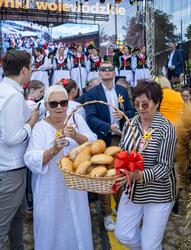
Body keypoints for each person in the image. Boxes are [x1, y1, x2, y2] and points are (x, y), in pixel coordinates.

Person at [24, 85, 96, 250]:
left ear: (68, 103)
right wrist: (53, 149)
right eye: (54, 103)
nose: (59, 107)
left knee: (77, 225)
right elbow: (31, 158)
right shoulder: (40, 128)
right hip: (50, 189)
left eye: (63, 103)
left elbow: (93, 143)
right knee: (52, 229)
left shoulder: (76, 120)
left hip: (76, 189)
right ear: (47, 105)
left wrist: (76, 135)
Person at [114, 80, 176, 249]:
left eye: (145, 104)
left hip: (158, 193)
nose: (141, 109)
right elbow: (122, 150)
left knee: (151, 246)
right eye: (137, 104)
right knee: (123, 234)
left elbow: (165, 167)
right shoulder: (131, 123)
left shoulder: (166, 128)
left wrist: (140, 175)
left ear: (157, 103)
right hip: (133, 190)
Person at [85, 61, 135, 231]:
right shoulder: (92, 93)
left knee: (120, 176)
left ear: (114, 73)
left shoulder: (121, 91)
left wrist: (123, 115)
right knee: (104, 179)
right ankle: (106, 214)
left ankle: (119, 208)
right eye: (103, 69)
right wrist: (107, 126)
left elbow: (131, 111)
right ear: (99, 73)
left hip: (121, 140)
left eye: (110, 69)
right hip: (103, 141)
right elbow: (90, 118)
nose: (106, 71)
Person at [0, 50, 39, 250]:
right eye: (31, 67)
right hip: (10, 169)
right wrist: (31, 122)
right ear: (24, 69)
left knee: (17, 218)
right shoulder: (12, 96)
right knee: (3, 224)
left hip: (9, 168)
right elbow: (11, 138)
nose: (32, 71)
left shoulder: (5, 90)